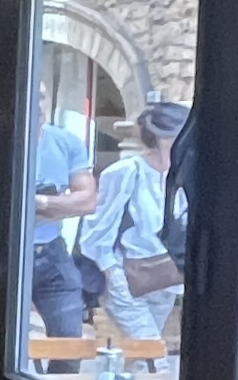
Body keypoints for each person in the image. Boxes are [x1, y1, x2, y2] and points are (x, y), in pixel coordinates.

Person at [82, 101, 190, 348]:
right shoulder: (126, 172)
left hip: (166, 281)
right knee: (151, 354)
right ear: (160, 138)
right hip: (126, 278)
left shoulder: (184, 175)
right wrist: (112, 274)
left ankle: (119, 375)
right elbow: (96, 230)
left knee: (141, 355)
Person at [28, 81, 99, 358]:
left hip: (53, 252)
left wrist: (42, 203)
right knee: (4, 346)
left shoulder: (68, 143)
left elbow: (88, 201)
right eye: (32, 96)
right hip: (7, 254)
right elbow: (5, 209)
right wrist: (63, 204)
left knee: (69, 346)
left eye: (42, 97)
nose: (38, 104)